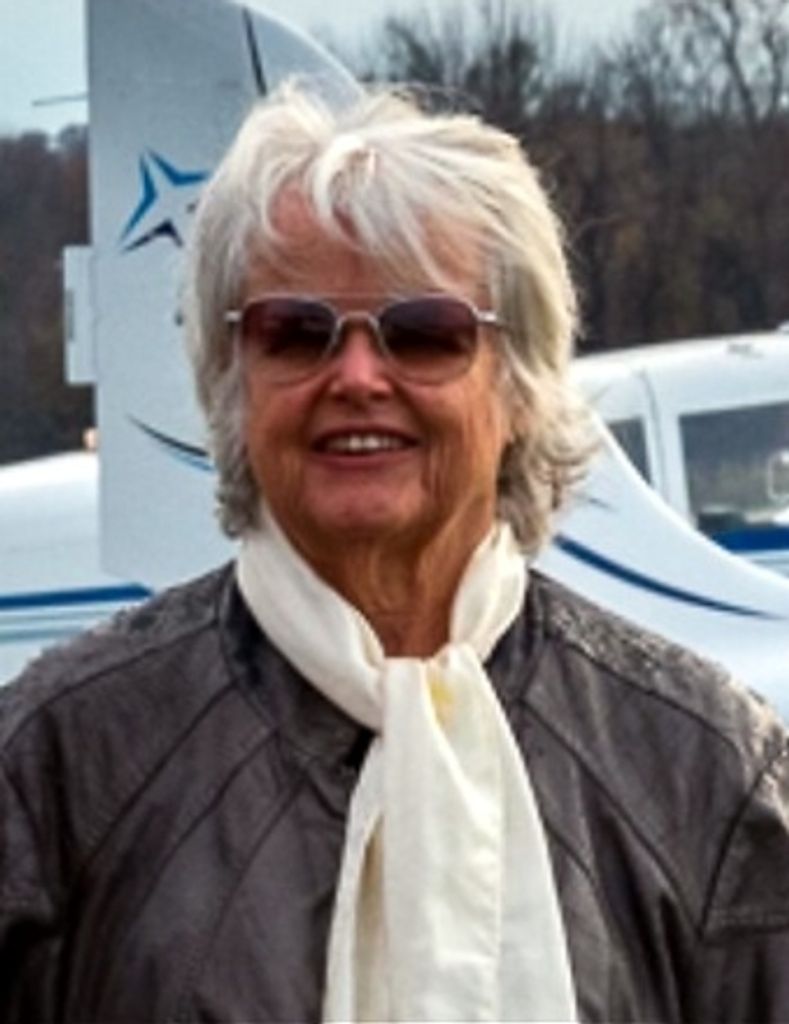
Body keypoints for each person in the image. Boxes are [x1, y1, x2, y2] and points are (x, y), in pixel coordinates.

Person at [2, 81, 789, 1024]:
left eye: (424, 334)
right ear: (232, 381)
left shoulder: (704, 769)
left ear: (519, 386)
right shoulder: (57, 763)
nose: (357, 376)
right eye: (296, 333)